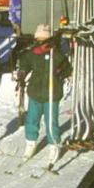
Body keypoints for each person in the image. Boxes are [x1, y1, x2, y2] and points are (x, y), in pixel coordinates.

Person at [16, 23, 70, 158]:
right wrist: (22, 72)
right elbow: (25, 63)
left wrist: (61, 71)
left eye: (42, 40)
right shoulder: (32, 53)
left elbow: (67, 68)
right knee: (32, 120)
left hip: (52, 93)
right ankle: (30, 143)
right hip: (35, 92)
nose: (39, 43)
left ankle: (54, 145)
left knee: (51, 121)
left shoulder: (57, 54)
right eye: (38, 40)